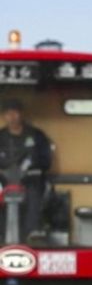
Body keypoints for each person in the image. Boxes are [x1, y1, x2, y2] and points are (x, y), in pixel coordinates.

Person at [0, 98, 53, 242]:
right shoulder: (1, 136)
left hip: (29, 179)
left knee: (33, 190)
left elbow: (46, 160)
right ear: (4, 115)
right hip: (3, 180)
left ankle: (32, 231)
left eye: (15, 113)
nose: (12, 117)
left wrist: (32, 168)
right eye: (8, 113)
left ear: (21, 114)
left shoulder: (36, 135)